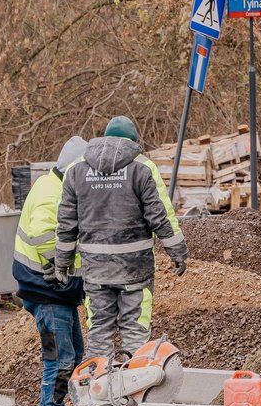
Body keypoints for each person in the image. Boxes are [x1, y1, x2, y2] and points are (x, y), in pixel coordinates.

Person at [54, 116, 188, 362]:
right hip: (135, 270)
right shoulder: (143, 168)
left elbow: (66, 224)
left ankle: (97, 393)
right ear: (133, 141)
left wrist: (61, 262)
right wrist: (177, 252)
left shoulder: (77, 171)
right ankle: (134, 395)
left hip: (95, 272)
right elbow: (160, 215)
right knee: (135, 334)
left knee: (99, 333)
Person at [12, 136, 87, 406]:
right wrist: (62, 265)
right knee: (60, 358)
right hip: (47, 290)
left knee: (76, 354)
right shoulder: (50, 192)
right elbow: (43, 236)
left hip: (59, 292)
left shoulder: (57, 188)